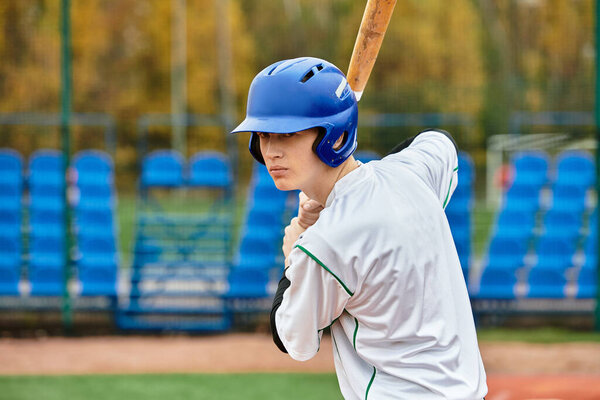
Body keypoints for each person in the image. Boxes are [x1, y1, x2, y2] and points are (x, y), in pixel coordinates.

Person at [231, 57, 487, 400]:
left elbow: (292, 338)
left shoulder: (325, 243)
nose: (272, 151)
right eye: (264, 135)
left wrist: (294, 257)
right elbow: (439, 142)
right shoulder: (409, 175)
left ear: (332, 135)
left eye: (288, 134)